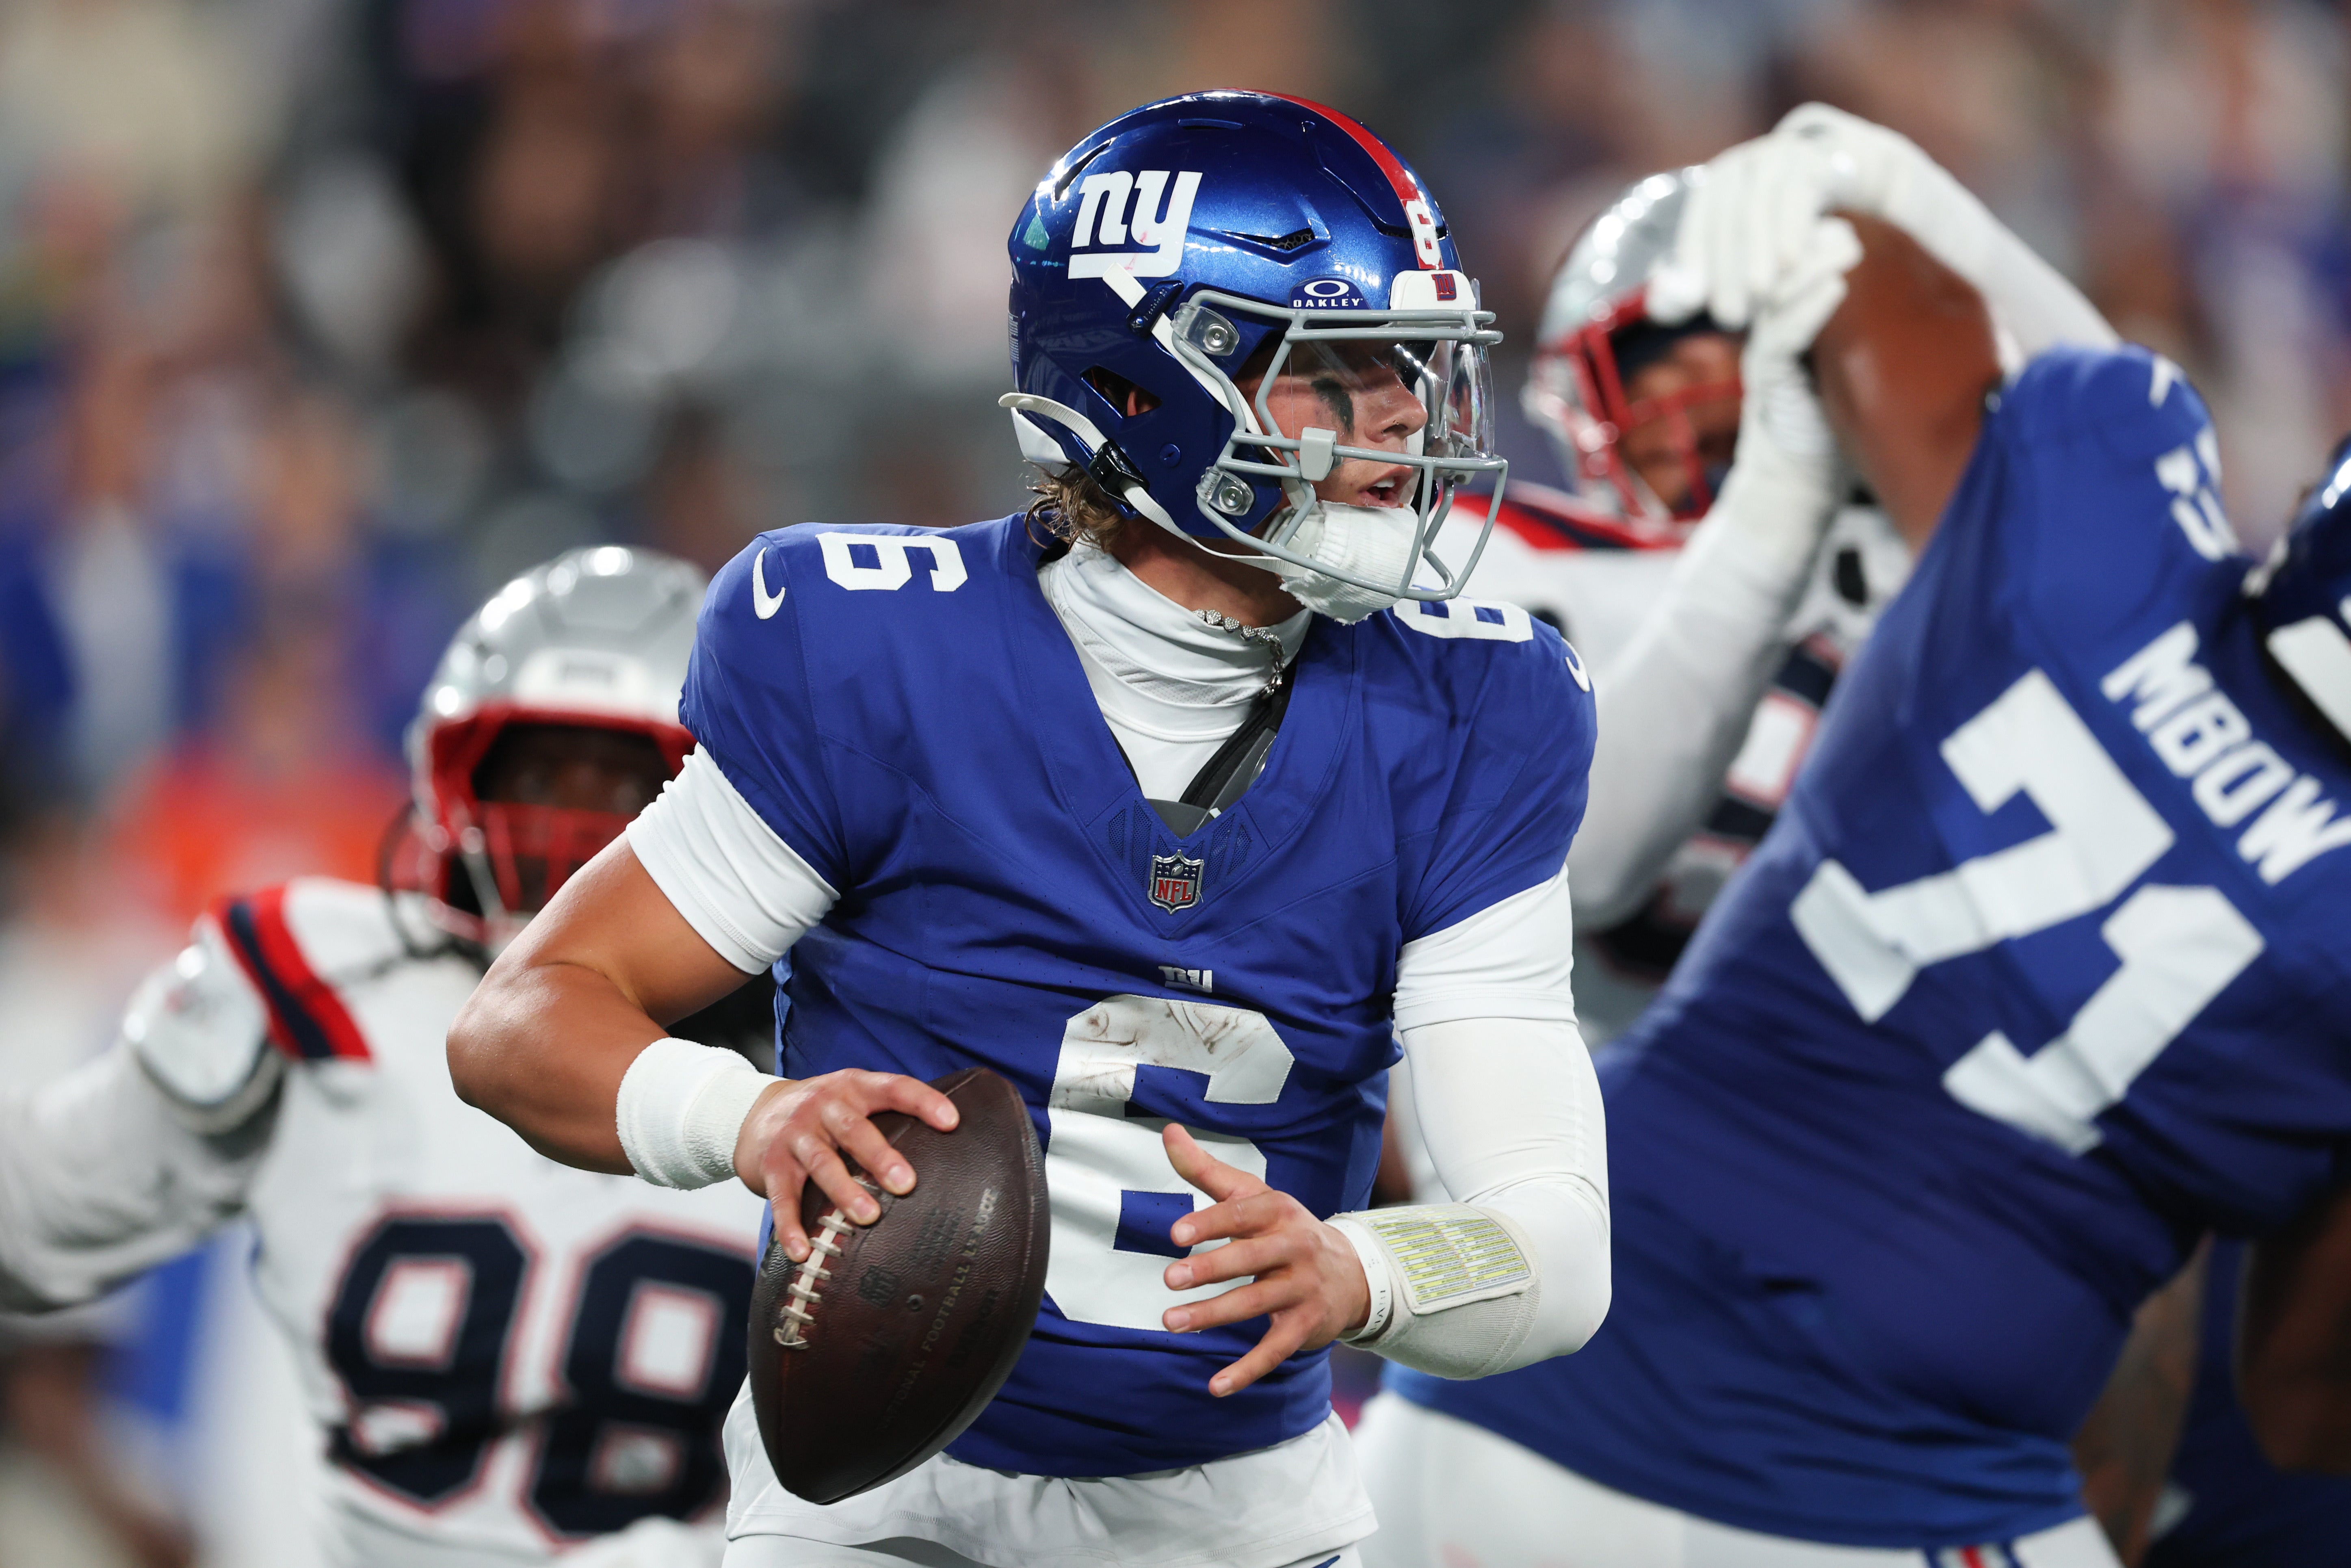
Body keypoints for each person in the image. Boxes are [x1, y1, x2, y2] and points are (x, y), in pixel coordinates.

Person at [445, 91, 1613, 1568]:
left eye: (1414, 367)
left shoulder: (1469, 709)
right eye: (1339, 368)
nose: (1404, 417)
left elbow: (1558, 1246)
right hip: (881, 1503)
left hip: (1241, 1519)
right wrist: (745, 1119)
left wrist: (1357, 1265)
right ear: (1144, 387)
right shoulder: (881, 659)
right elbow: (520, 1023)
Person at [1355, 103, 2351, 1567]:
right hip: (1861, 1483)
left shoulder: (2086, 510)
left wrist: (1878, 187)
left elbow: (1880, 284)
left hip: (1518, 1361)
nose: (1682, 425)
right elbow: (2305, 1402)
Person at [0, 547, 769, 1566]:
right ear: (455, 790)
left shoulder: (819, 1061)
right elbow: (31, 1216)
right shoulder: (322, 984)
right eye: (540, 775)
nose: (579, 831)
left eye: (634, 783)